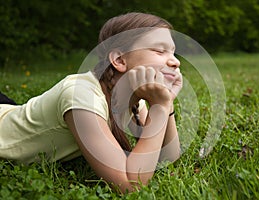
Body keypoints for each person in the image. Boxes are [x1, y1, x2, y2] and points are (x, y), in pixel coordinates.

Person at [0, 12, 182, 193]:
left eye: (173, 52)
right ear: (119, 60)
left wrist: (166, 105)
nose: (175, 62)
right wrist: (160, 108)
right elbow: (128, 186)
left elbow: (166, 159)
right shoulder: (80, 94)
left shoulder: (134, 100)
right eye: (159, 50)